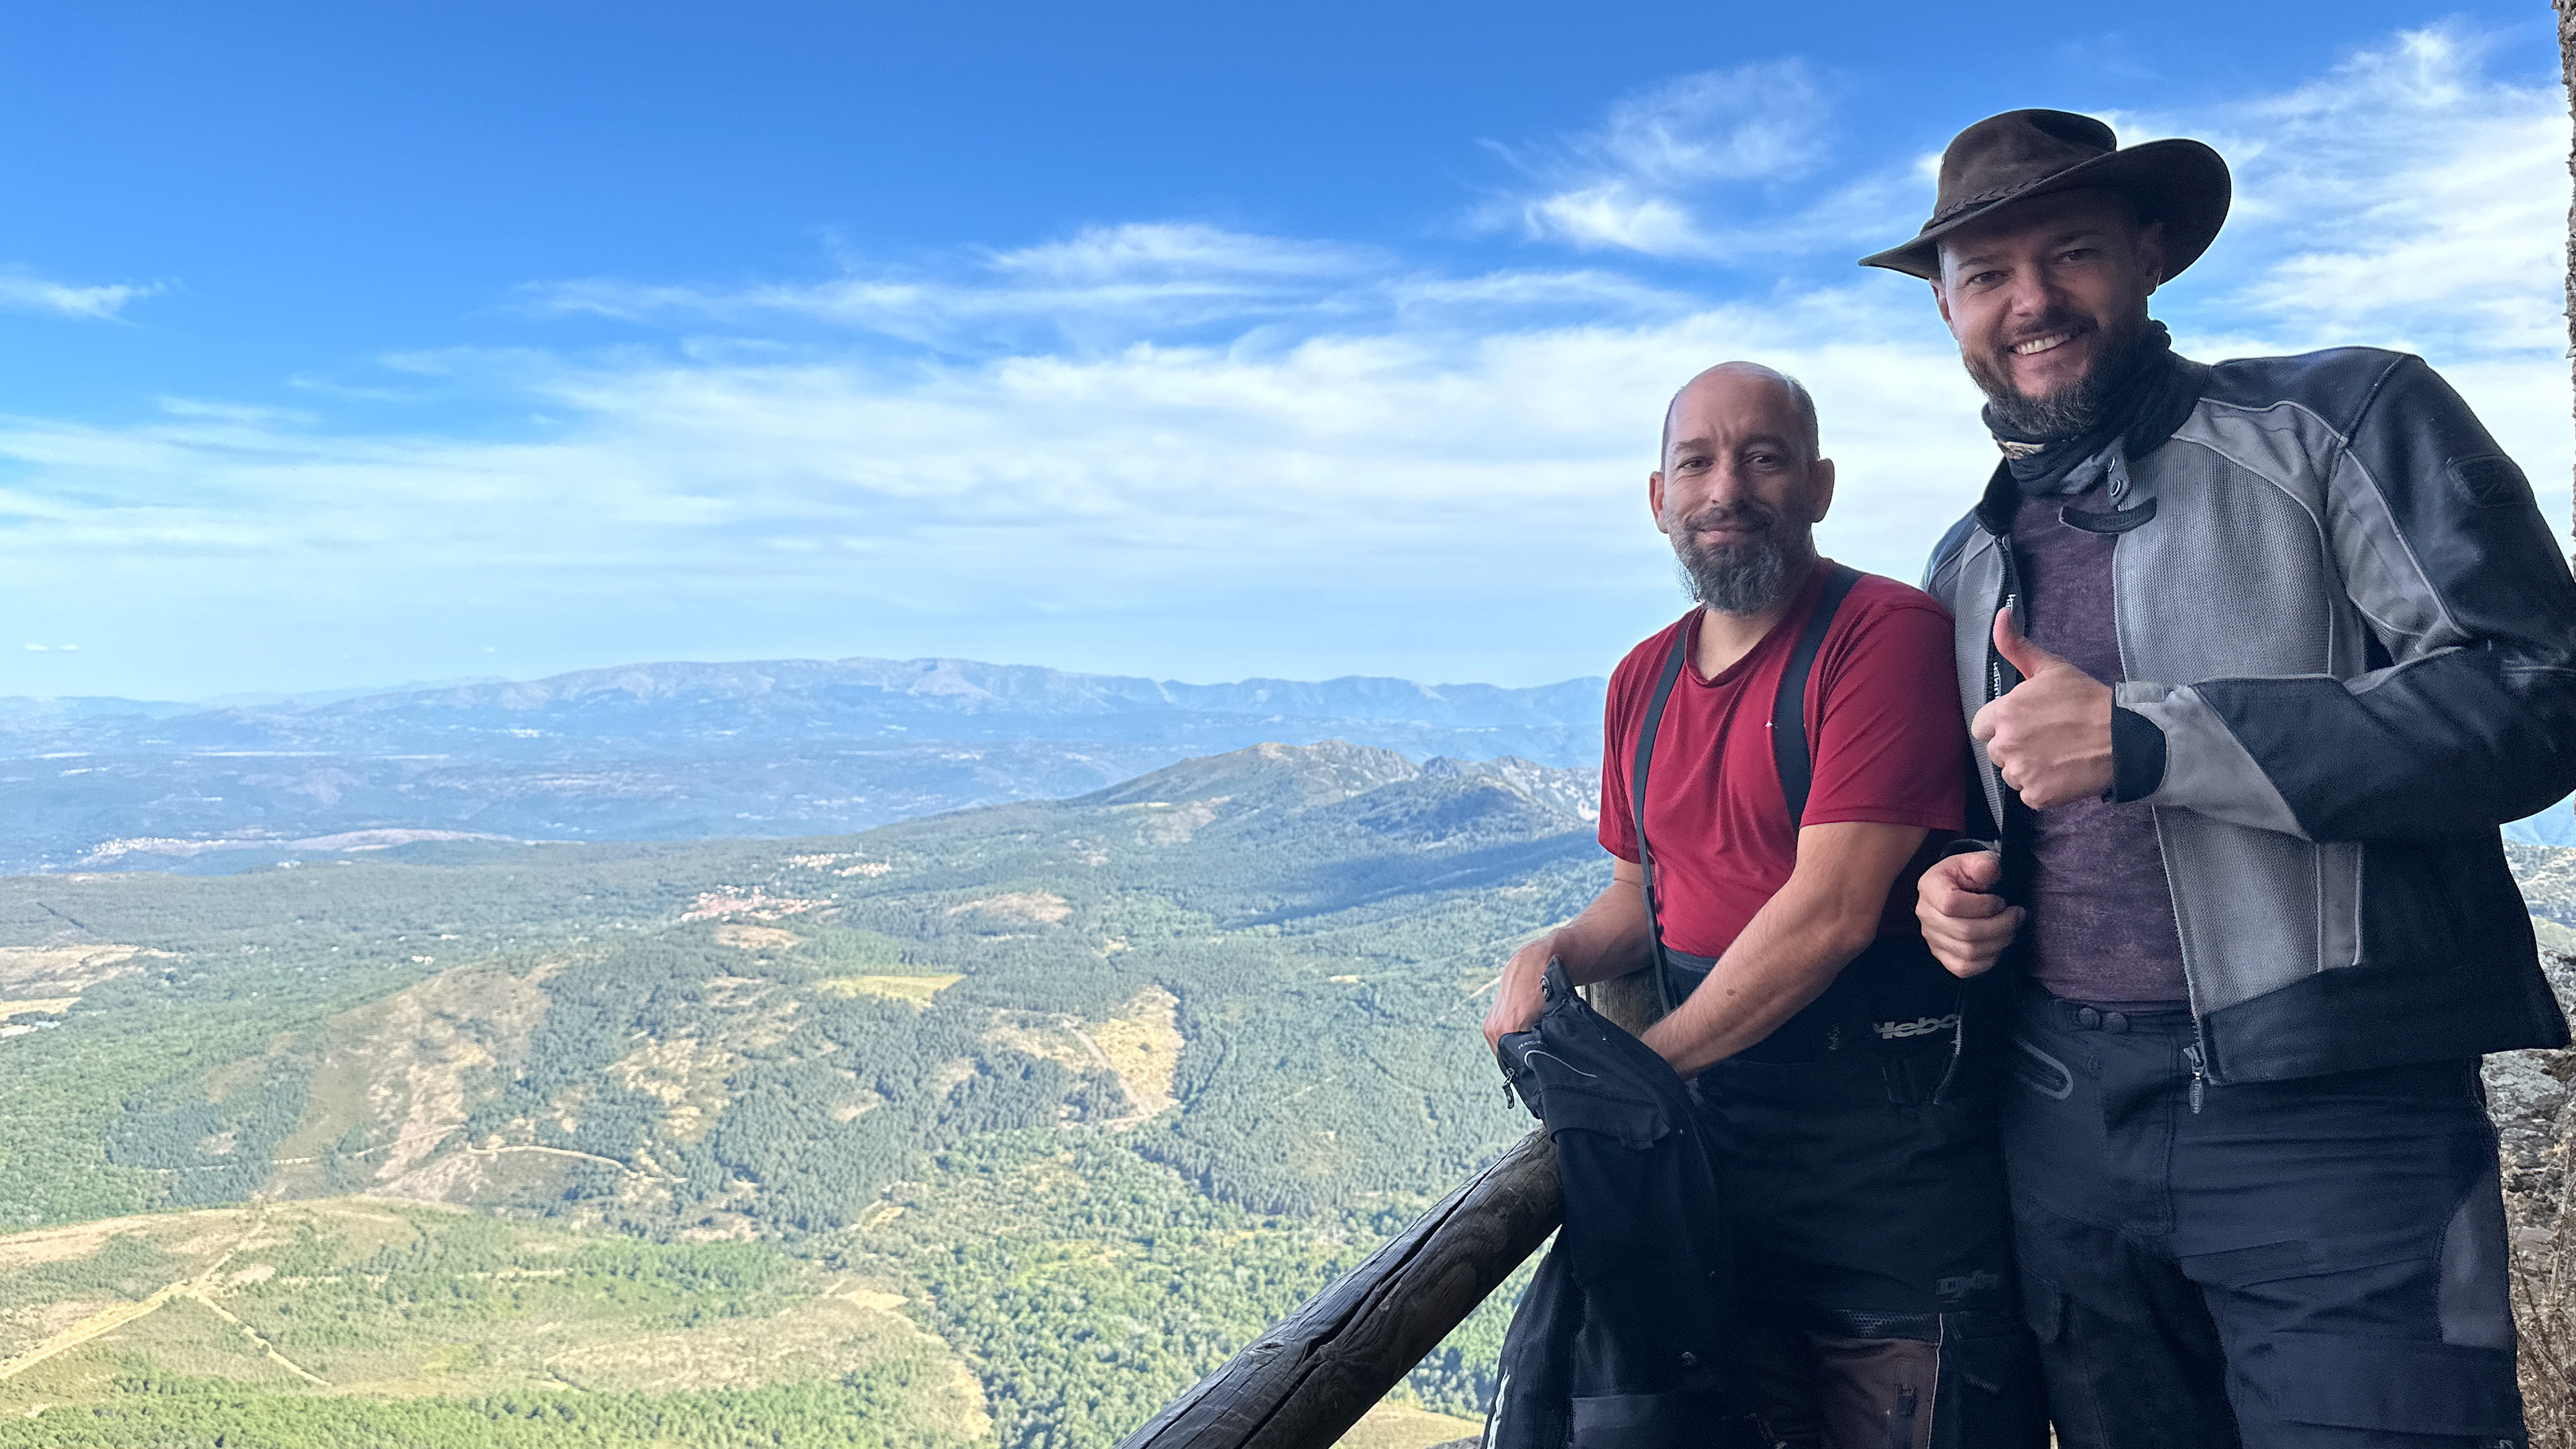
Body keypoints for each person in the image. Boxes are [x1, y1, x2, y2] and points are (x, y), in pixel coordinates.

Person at [1876, 109, 2576, 1448]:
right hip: (2062, 1127)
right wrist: (1956, 897)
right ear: (1949, 312)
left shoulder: (2341, 422)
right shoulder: (1965, 567)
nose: (2029, 301)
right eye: (1985, 276)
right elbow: (1998, 826)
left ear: (2149, 253)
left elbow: (2538, 693)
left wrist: (2156, 739)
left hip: (2339, 1124)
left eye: (2068, 253)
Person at [1482, 362, 2045, 1448]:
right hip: (1719, 1185)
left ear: (1820, 486)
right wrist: (1551, 953)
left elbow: (1832, 911)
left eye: (1764, 457)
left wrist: (1633, 1082)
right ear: (1659, 500)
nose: (1725, 487)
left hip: (1892, 1192)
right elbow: (1637, 900)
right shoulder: (1640, 682)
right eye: (1695, 461)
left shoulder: (1881, 633)